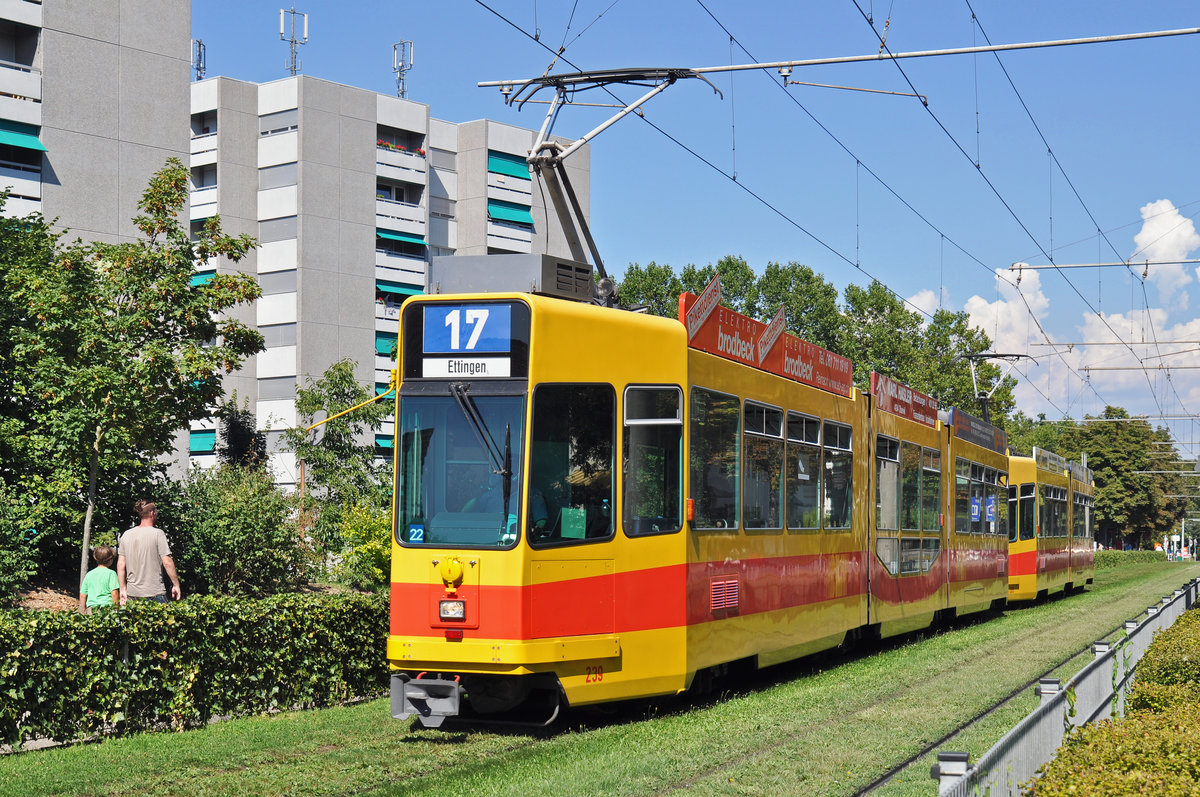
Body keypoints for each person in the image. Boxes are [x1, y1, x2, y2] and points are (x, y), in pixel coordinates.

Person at [117, 500, 182, 605]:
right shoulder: (158, 534)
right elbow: (167, 562)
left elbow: (121, 564)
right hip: (154, 594)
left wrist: (123, 589)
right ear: (152, 513)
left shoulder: (127, 534)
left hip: (132, 594)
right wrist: (176, 585)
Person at [78, 545, 119, 614]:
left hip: (92, 609)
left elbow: (82, 595)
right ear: (110, 559)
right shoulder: (111, 574)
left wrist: (84, 610)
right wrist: (116, 609)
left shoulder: (89, 574)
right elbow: (114, 593)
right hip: (107, 608)